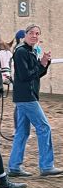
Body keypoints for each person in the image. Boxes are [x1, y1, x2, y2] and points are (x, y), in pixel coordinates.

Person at [7, 24, 62, 177]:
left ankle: (14, 167)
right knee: (44, 128)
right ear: (25, 35)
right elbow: (26, 75)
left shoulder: (29, 51)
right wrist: (41, 64)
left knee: (22, 133)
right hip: (27, 98)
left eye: (37, 33)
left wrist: (45, 63)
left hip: (25, 97)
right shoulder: (21, 52)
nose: (35, 36)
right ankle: (46, 166)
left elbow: (36, 74)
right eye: (31, 33)